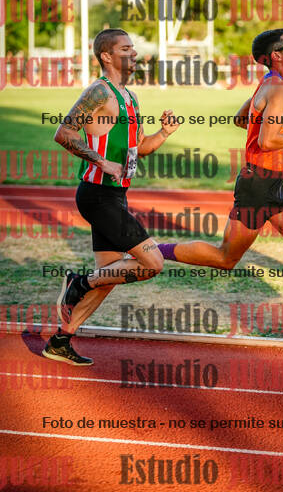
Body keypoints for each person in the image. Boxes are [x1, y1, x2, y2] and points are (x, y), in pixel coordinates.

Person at [159, 28, 283, 350]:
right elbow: (267, 141)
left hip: (274, 185)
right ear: (277, 56)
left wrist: (272, 123)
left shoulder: (270, 84)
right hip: (257, 186)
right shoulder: (278, 89)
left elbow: (241, 119)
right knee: (226, 258)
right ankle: (153, 251)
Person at [42, 28, 180, 365]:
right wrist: (101, 162)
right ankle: (77, 283)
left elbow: (140, 148)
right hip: (97, 195)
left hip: (117, 196)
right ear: (106, 55)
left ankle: (60, 340)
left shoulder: (129, 96)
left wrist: (164, 133)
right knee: (152, 263)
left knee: (107, 277)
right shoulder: (98, 91)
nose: (134, 53)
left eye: (133, 48)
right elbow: (63, 132)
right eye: (126, 48)